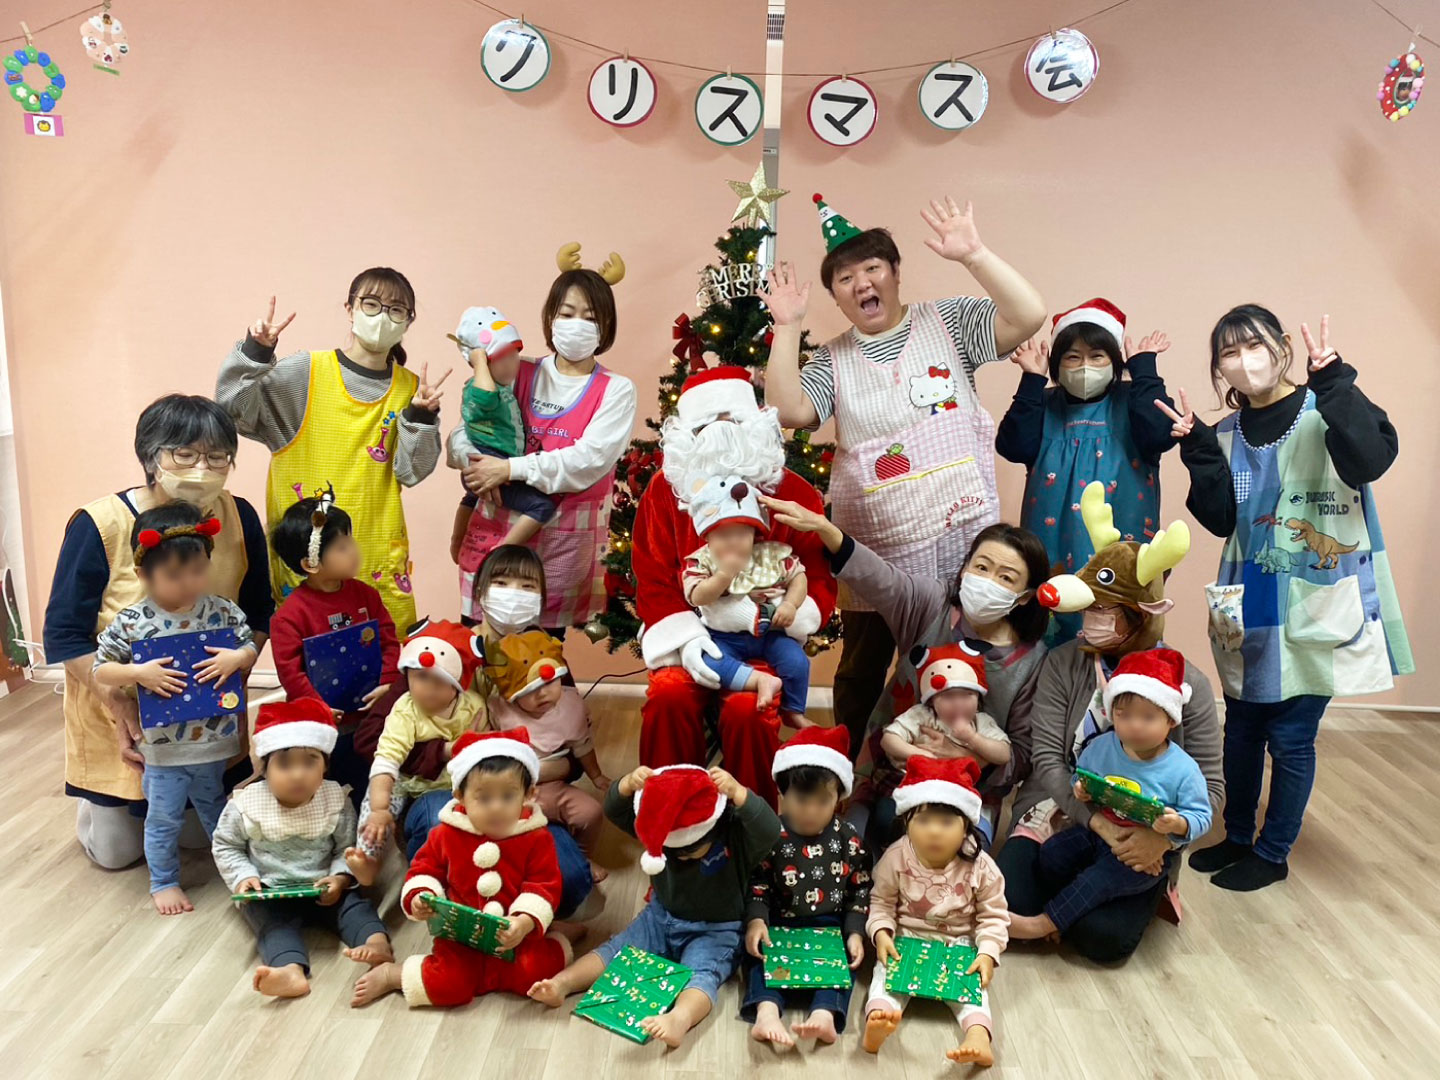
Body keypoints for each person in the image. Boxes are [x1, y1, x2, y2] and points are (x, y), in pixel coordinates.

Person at [763, 193, 1046, 757]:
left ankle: (963, 767)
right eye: (845, 278)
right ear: (836, 295)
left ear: (894, 272)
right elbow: (788, 410)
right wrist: (788, 328)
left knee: (962, 664)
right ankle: (850, 769)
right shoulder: (832, 360)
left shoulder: (949, 322)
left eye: (872, 268)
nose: (861, 283)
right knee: (862, 668)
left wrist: (974, 254)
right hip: (878, 550)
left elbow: (1028, 315)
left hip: (962, 542)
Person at [1158, 307, 1411, 891]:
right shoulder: (1226, 432)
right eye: (1228, 352)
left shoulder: (1327, 408)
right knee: (1241, 728)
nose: (1244, 359)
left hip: (1316, 593)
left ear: (1281, 348)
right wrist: (1198, 449)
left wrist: (1336, 379)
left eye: (1254, 344)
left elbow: (1372, 459)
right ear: (1218, 368)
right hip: (1246, 596)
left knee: (1292, 736)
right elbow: (1221, 519)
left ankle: (1273, 853)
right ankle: (1238, 837)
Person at [44, 395, 273, 872]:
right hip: (117, 706)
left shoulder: (239, 517)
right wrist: (121, 705)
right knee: (117, 854)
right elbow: (65, 634)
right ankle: (98, 808)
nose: (202, 469)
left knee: (200, 839)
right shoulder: (100, 524)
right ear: (151, 457)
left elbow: (257, 612)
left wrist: (238, 671)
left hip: (204, 715)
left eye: (217, 457)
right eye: (184, 454)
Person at [997, 483, 1223, 962]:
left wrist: (1162, 837)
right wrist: (1094, 821)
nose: (1093, 619)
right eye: (1090, 608)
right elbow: (1046, 760)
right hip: (1059, 808)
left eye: (1106, 610)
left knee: (1103, 941)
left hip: (1142, 833)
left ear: (1142, 614)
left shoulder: (1191, 684)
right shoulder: (1064, 663)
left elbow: (1211, 788)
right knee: (1011, 905)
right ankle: (1066, 904)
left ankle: (1104, 900)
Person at [762, 496, 1048, 844]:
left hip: (970, 785)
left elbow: (1022, 752)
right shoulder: (932, 605)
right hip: (892, 769)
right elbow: (882, 579)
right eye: (981, 567)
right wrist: (826, 529)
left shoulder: (1032, 661)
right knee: (866, 837)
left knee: (957, 858)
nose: (988, 581)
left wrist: (970, 753)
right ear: (964, 569)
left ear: (1024, 596)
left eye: (1006, 578)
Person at [631, 367, 837, 806]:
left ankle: (754, 820)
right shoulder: (664, 491)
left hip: (764, 637)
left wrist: (786, 614)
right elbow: (652, 576)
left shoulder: (794, 493)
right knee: (668, 695)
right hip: (689, 633)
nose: (719, 433)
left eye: (732, 421)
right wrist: (687, 640)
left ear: (755, 424)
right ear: (687, 434)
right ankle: (673, 809)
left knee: (749, 711)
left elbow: (816, 574)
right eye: (705, 425)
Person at [217, 267, 450, 628]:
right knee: (308, 650)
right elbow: (232, 410)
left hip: (374, 554)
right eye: (371, 304)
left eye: (396, 310)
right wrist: (256, 351)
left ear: (408, 320)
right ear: (350, 308)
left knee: (384, 654)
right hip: (308, 555)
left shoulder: (412, 389)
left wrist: (421, 416)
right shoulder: (306, 371)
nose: (382, 317)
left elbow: (411, 472)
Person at [527, 764, 782, 1048]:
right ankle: (563, 983)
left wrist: (739, 793)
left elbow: (770, 829)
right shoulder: (657, 826)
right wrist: (626, 784)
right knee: (615, 949)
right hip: (660, 917)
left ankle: (679, 1019)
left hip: (716, 929)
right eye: (671, 851)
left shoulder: (735, 833)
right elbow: (615, 810)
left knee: (702, 975)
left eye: (689, 852)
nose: (680, 858)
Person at [452, 246, 637, 632]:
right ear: (550, 317)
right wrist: (475, 463)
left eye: (590, 316)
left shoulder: (616, 389)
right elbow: (467, 427)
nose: (577, 324)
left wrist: (507, 469)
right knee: (478, 640)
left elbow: (587, 462)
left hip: (564, 544)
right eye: (567, 313)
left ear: (606, 325)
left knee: (542, 646)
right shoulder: (517, 370)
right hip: (497, 528)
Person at [92, 503, 258, 914]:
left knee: (219, 813)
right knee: (163, 819)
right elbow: (101, 670)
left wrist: (238, 658)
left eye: (198, 570)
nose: (189, 583)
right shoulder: (132, 622)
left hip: (214, 745)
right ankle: (164, 881)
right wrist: (138, 672)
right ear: (143, 574)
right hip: (163, 751)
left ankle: (239, 874)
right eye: (173, 575)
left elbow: (249, 646)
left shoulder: (221, 610)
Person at [995, 299, 1177, 642]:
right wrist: (1032, 381)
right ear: (1057, 363)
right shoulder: (1043, 404)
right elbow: (1012, 446)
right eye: (1072, 357)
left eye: (1097, 356)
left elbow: (1161, 434)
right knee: (1050, 633)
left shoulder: (1133, 401)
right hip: (1051, 549)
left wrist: (1144, 371)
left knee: (1122, 634)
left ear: (1115, 360)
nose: (1084, 367)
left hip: (1123, 553)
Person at [351, 729, 572, 1009]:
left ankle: (558, 935)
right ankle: (392, 974)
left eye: (508, 796)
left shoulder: (536, 837)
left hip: (515, 935)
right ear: (460, 796)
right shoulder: (446, 834)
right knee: (448, 984)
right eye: (484, 798)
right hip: (460, 937)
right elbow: (424, 870)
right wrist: (420, 896)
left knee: (534, 972)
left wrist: (526, 920)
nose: (496, 808)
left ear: (529, 795)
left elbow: (544, 884)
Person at [1008, 649, 1211, 941]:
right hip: (1097, 831)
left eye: (1148, 717)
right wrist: (1080, 789)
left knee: (1098, 882)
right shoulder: (1102, 746)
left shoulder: (1183, 770)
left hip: (1143, 850)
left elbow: (1202, 815)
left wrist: (1177, 827)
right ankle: (1069, 907)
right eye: (1124, 715)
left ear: (1171, 720)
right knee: (1052, 853)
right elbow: (1081, 774)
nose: (1135, 725)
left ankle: (1045, 924)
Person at [211, 699, 391, 999]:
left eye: (309, 762)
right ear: (264, 768)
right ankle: (289, 970)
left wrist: (339, 878)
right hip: (271, 890)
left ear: (325, 766)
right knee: (272, 926)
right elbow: (226, 845)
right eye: (284, 764)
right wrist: (244, 877)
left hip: (324, 887)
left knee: (355, 908)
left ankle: (376, 944)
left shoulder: (335, 799)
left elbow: (346, 848)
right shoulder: (246, 804)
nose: (298, 775)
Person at [864, 757, 1009, 1068]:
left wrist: (987, 953)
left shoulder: (981, 866)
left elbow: (993, 915)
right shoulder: (895, 857)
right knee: (883, 978)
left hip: (958, 943)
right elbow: (881, 902)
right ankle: (878, 1019)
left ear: (966, 825)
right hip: (906, 937)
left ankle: (978, 1037)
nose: (934, 832)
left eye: (946, 823)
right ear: (906, 822)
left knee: (973, 993)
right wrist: (882, 933)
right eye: (924, 820)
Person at [742, 726, 871, 1049]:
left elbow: (860, 889)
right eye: (801, 799)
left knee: (845, 961)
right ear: (782, 795)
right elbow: (757, 883)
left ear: (838, 799)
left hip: (830, 924)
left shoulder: (849, 839)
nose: (811, 811)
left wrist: (855, 931)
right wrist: (757, 920)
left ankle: (825, 1014)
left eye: (823, 801)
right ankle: (767, 1012)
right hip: (778, 922)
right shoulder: (771, 835)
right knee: (757, 956)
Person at [345, 619, 487, 886]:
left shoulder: (473, 707)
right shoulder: (405, 709)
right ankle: (369, 857)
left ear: (457, 683)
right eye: (421, 677)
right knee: (377, 800)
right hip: (407, 778)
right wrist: (379, 809)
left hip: (453, 781)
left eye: (440, 680)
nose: (429, 688)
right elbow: (386, 760)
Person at [682, 472, 810, 728]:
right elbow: (696, 597)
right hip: (723, 636)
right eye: (723, 536)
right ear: (707, 538)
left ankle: (793, 710)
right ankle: (759, 681)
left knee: (797, 661)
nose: (733, 542)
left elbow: (799, 577)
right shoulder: (702, 561)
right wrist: (723, 576)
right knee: (709, 664)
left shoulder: (768, 556)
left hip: (771, 633)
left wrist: (790, 604)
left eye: (741, 535)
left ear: (755, 534)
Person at [487, 630, 612, 880]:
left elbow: (582, 745)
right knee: (509, 831)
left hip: (556, 786)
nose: (542, 693)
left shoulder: (570, 704)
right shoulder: (500, 710)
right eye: (529, 690)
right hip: (516, 793)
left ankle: (582, 857)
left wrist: (596, 775)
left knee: (591, 812)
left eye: (549, 683)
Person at [267, 492, 399, 709]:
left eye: (351, 540)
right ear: (310, 564)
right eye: (342, 547)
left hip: (373, 706)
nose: (354, 551)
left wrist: (387, 682)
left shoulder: (366, 595)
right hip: (320, 716)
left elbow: (388, 641)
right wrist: (318, 707)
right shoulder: (288, 617)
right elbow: (291, 674)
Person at [450, 305, 557, 549]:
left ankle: (457, 541)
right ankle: (502, 552)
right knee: (542, 506)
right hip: (489, 459)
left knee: (472, 497)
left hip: (494, 459)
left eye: (513, 355)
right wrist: (479, 361)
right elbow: (486, 398)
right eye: (499, 358)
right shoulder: (478, 390)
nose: (510, 365)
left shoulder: (501, 386)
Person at [881, 644, 1011, 774]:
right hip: (914, 779)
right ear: (931, 701)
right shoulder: (922, 714)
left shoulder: (980, 722)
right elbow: (888, 740)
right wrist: (923, 755)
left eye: (966, 694)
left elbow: (1004, 755)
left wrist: (973, 738)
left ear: (978, 698)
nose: (958, 704)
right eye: (948, 696)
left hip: (957, 783)